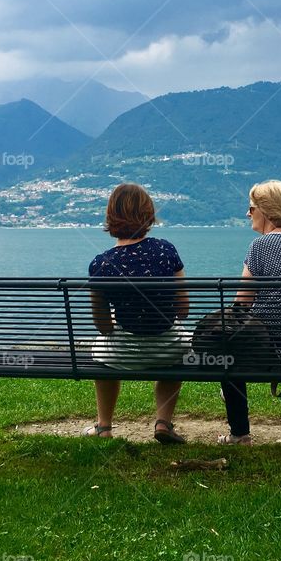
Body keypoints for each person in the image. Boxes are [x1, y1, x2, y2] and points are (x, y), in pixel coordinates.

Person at [85, 183, 190, 444]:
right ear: (148, 214)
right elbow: (184, 310)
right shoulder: (167, 251)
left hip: (124, 352)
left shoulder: (101, 263)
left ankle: (104, 426)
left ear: (111, 216)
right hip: (166, 350)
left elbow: (103, 326)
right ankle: (163, 422)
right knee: (181, 347)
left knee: (101, 354)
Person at [219, 180, 281, 445]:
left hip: (269, 347)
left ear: (267, 211)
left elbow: (241, 304)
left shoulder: (260, 246)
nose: (247, 214)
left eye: (251, 208)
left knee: (224, 355)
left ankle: (240, 434)